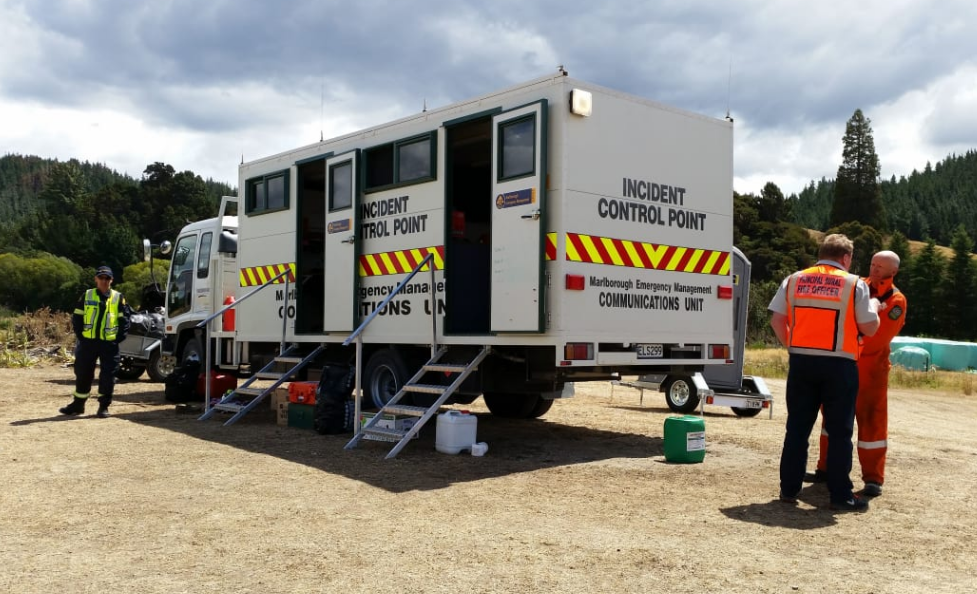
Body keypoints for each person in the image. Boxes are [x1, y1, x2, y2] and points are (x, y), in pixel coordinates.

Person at [768, 234, 880, 512]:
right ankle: (840, 495)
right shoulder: (855, 284)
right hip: (839, 365)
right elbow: (870, 328)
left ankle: (788, 490)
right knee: (840, 432)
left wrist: (793, 346)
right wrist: (875, 309)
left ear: (821, 253)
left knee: (797, 429)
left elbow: (776, 319)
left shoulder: (794, 279)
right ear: (846, 258)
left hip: (802, 362)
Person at [807, 251, 907, 497]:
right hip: (842, 364)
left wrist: (848, 335)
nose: (874, 269)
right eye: (873, 263)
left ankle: (873, 478)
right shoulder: (856, 285)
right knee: (832, 420)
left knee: (872, 425)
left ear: (892, 273)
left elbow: (877, 338)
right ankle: (825, 469)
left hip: (871, 373)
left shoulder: (896, 301)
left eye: (880, 267)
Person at [59, 266, 131, 419]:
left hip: (109, 344)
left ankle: (103, 407)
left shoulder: (118, 297)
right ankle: (78, 405)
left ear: (111, 280)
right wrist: (82, 337)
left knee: (108, 376)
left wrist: (118, 339)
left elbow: (124, 320)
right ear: (96, 279)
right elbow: (77, 317)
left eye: (107, 278)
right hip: (88, 343)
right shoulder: (87, 295)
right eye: (101, 277)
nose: (104, 281)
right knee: (83, 373)